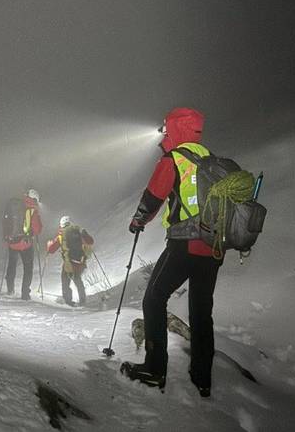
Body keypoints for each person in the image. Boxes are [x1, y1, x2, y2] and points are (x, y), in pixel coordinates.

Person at [120, 107, 223, 398]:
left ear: (176, 129)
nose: (164, 133)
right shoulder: (210, 159)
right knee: (202, 312)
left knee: (153, 299)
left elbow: (154, 196)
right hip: (213, 248)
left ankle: (155, 370)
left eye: (167, 128)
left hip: (184, 244)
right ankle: (202, 377)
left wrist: (138, 220)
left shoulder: (175, 159)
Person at [2, 188, 42, 300]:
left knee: (12, 266)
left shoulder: (15, 205)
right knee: (28, 268)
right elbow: (37, 229)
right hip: (25, 244)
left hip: (12, 242)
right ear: (34, 199)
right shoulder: (32, 209)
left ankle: (10, 289)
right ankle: (25, 294)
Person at [46, 215, 94, 307]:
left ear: (61, 225)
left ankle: (68, 300)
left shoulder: (61, 235)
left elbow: (51, 249)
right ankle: (82, 300)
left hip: (69, 262)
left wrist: (49, 244)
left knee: (65, 279)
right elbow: (90, 242)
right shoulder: (79, 231)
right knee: (77, 279)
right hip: (81, 261)